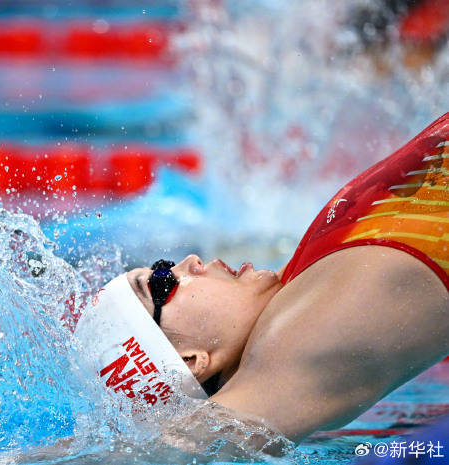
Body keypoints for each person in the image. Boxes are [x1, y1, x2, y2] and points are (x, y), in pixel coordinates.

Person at [74, 113, 449, 444]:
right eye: (160, 283)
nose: (189, 262)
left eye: (163, 264)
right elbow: (171, 447)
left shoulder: (300, 291)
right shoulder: (294, 348)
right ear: (190, 361)